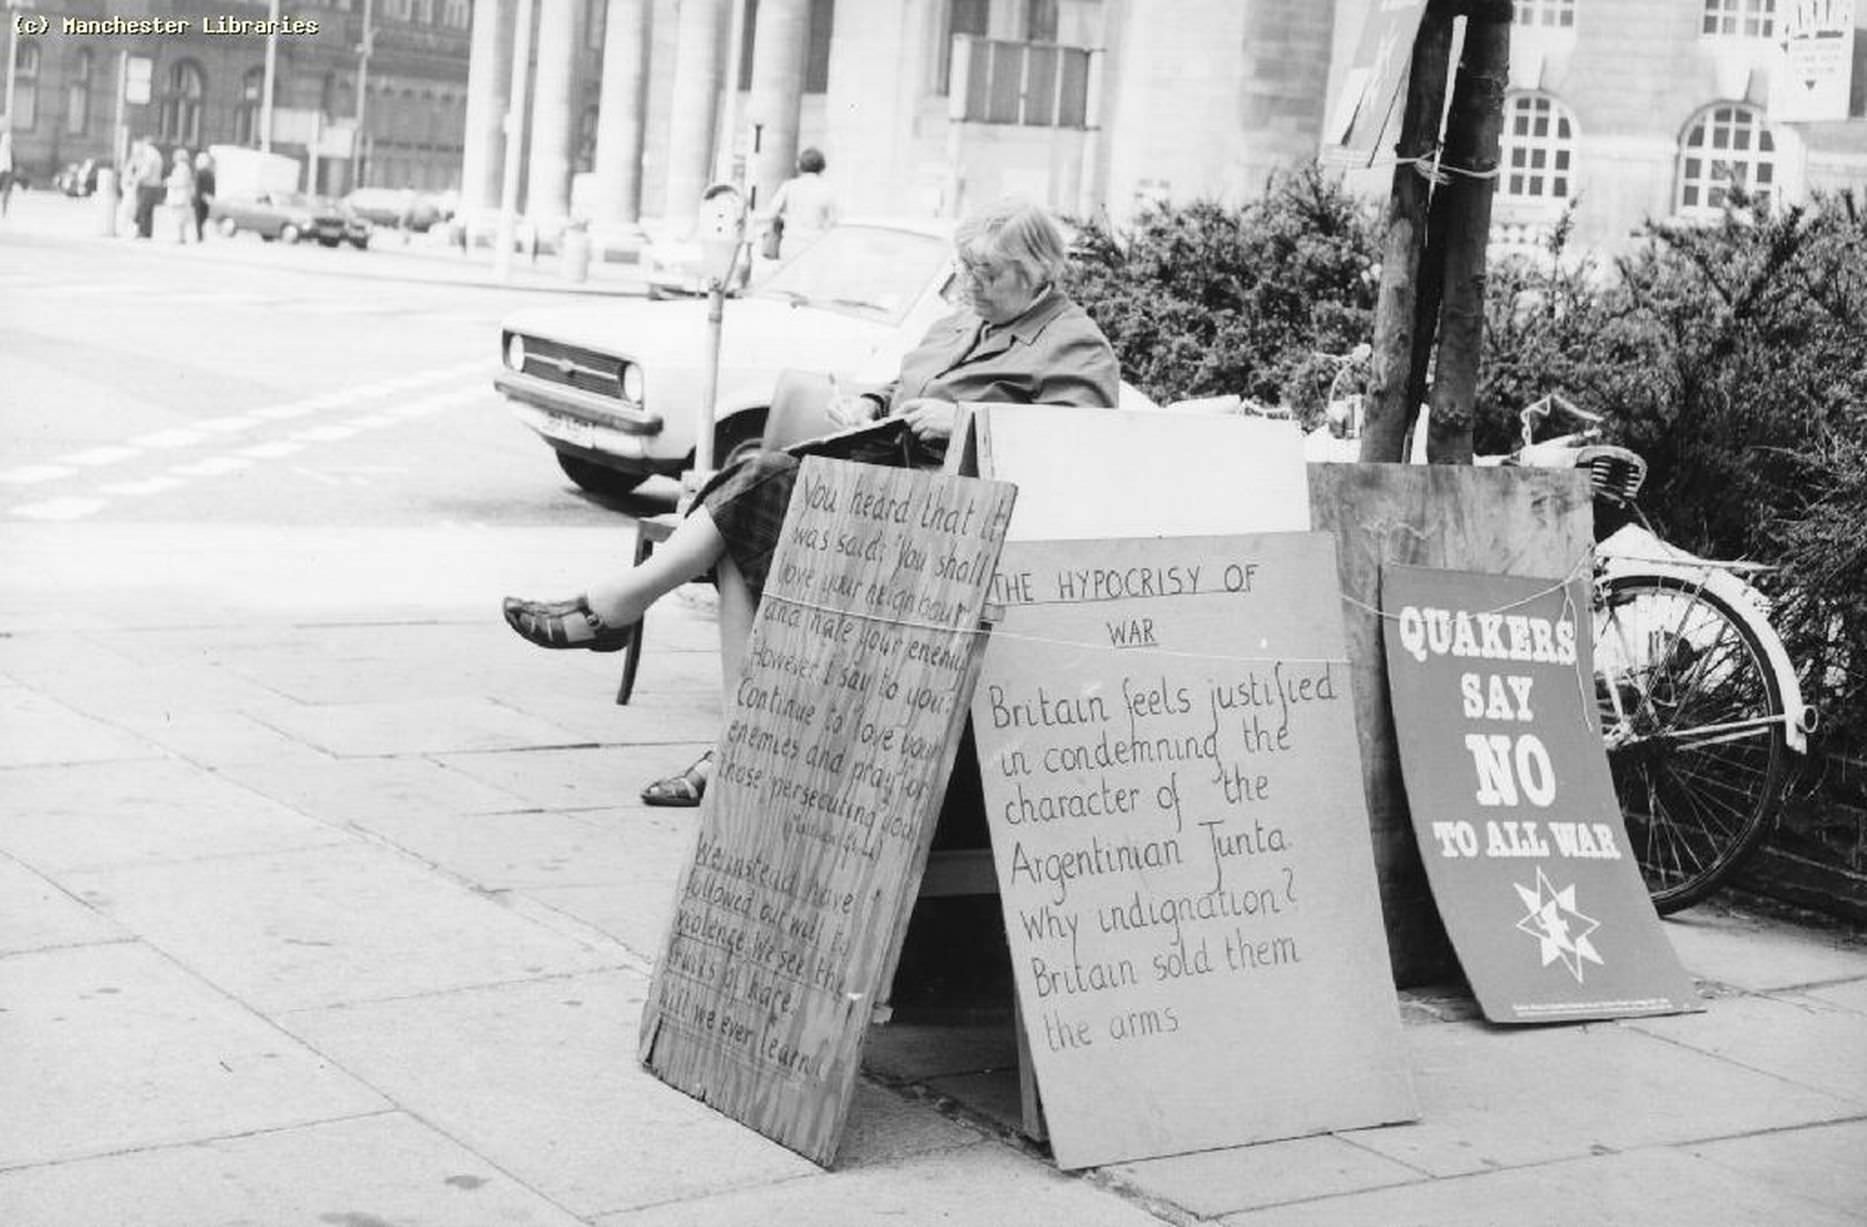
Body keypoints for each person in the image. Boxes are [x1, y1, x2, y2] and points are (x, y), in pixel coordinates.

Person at [502, 199, 1120, 805]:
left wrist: (965, 420)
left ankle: (624, 616)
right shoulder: (958, 322)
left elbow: (1075, 450)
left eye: (987, 273)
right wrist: (871, 405)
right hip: (882, 487)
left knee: (758, 481)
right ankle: (735, 741)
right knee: (744, 515)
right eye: (963, 268)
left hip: (950, 526)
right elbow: (901, 385)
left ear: (1039, 271)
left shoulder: (1074, 345)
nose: (969, 285)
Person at [762, 147, 838, 261]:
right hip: (815, 244)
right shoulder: (828, 189)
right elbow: (833, 221)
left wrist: (784, 217)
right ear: (822, 167)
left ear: (799, 165)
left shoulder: (789, 186)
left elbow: (771, 213)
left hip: (791, 242)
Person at [164, 148, 195, 242]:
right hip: (181, 195)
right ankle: (181, 237)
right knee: (180, 217)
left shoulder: (182, 167)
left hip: (179, 195)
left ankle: (180, 237)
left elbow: (181, 182)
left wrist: (169, 181)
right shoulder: (184, 167)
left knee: (179, 217)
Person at [191, 150, 215, 241]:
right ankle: (200, 234)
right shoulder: (210, 173)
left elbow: (197, 187)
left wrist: (196, 197)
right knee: (204, 216)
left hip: (200, 198)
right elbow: (213, 187)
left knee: (198, 217)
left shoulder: (200, 173)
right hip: (207, 198)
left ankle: (199, 235)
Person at [0, 131, 15, 219]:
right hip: (2, 172)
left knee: (6, 193)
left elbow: (14, 162)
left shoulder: (11, 152)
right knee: (5, 193)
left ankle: (4, 212)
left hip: (8, 173)